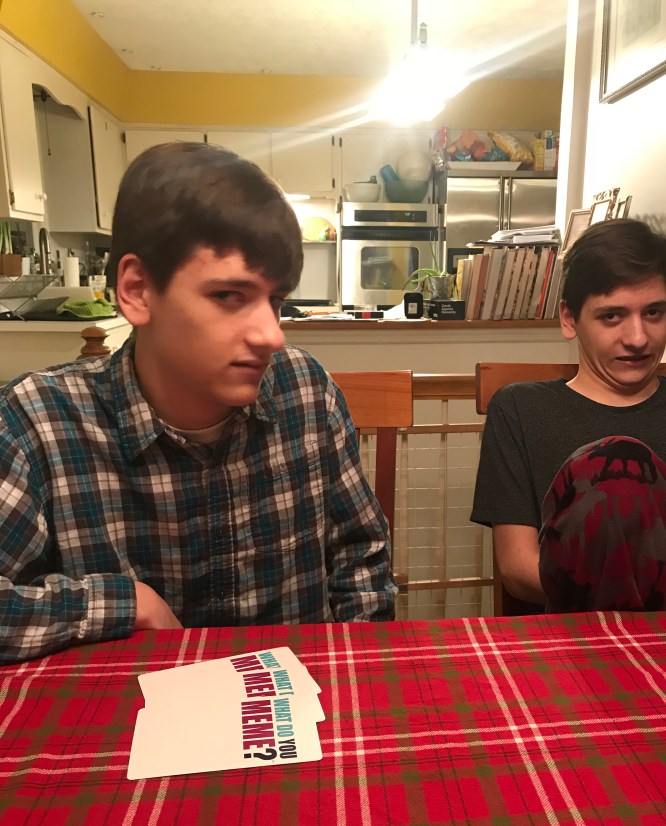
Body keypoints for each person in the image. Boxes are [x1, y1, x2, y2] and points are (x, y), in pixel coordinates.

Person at [0, 141, 396, 664]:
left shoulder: (306, 390)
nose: (272, 336)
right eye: (229, 296)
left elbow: (361, 561)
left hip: (296, 700)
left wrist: (354, 672)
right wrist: (125, 603)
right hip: (127, 707)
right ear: (137, 290)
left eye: (275, 301)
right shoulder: (37, 420)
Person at [471, 218, 666, 613]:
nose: (638, 338)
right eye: (612, 316)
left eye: (654, 313)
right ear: (569, 319)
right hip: (567, 637)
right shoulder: (520, 410)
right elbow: (517, 568)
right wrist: (661, 600)